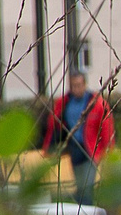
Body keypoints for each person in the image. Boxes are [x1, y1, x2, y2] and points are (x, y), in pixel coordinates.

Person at [38, 69, 114, 205]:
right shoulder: (64, 103)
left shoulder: (96, 104)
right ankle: (81, 209)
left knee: (87, 184)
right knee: (79, 185)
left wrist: (107, 151)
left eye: (79, 85)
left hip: (91, 149)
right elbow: (53, 125)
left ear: (84, 84)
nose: (76, 89)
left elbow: (106, 128)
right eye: (73, 85)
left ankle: (86, 209)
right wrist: (49, 147)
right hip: (74, 148)